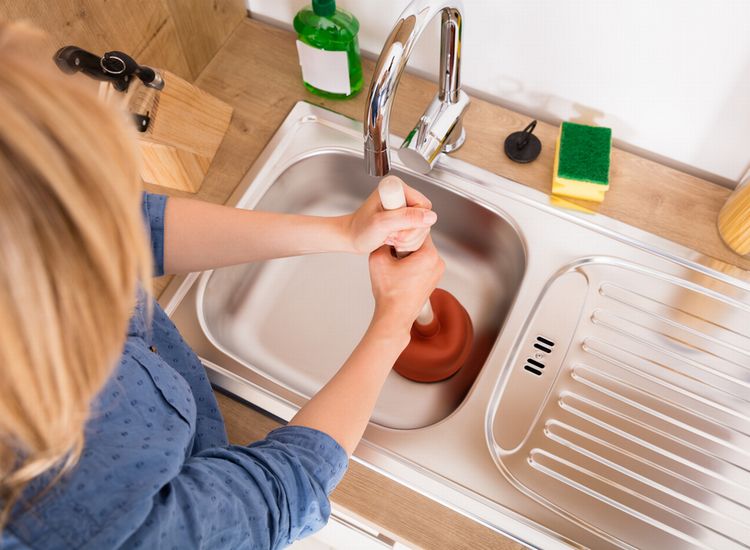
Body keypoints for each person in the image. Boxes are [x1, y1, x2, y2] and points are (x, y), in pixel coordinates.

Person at [0, 21, 444, 549]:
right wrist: (393, 323)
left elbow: (133, 226)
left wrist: (343, 233)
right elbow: (272, 499)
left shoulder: (29, 228)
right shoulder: (60, 514)